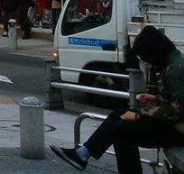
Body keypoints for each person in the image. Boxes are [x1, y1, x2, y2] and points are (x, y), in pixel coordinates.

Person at [51, 25, 184, 173]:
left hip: (178, 131)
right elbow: (175, 100)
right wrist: (155, 99)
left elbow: (174, 111)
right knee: (117, 115)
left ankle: (86, 156)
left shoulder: (175, 70)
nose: (148, 62)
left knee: (121, 129)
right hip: (173, 125)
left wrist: (138, 116)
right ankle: (83, 153)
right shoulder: (173, 63)